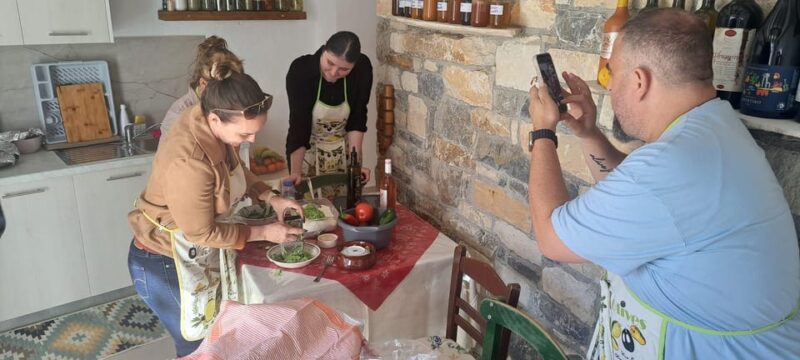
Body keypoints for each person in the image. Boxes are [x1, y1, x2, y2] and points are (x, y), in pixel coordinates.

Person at [526, 9, 799, 359]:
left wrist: (542, 132)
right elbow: (638, 192)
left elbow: (551, 238)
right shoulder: (713, 128)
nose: (609, 85)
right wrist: (588, 132)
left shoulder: (671, 165)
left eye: (614, 73)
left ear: (639, 81)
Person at [127, 61, 304, 357]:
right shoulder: (190, 161)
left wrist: (271, 196)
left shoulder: (213, 126)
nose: (253, 140)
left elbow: (237, 171)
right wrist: (264, 232)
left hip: (190, 253)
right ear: (215, 120)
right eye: (245, 135)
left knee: (217, 337)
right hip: (164, 262)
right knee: (198, 348)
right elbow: (200, 231)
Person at [285, 31, 373, 190]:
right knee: (310, 207)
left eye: (344, 69)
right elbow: (299, 125)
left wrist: (356, 166)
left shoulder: (362, 69)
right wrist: (295, 172)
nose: (333, 73)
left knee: (345, 208)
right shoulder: (301, 70)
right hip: (308, 151)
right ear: (324, 50)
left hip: (343, 151)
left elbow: (357, 120)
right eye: (330, 63)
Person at [159, 36, 243, 144]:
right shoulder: (179, 115)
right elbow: (175, 158)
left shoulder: (224, 105)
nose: (229, 97)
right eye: (223, 91)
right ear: (203, 83)